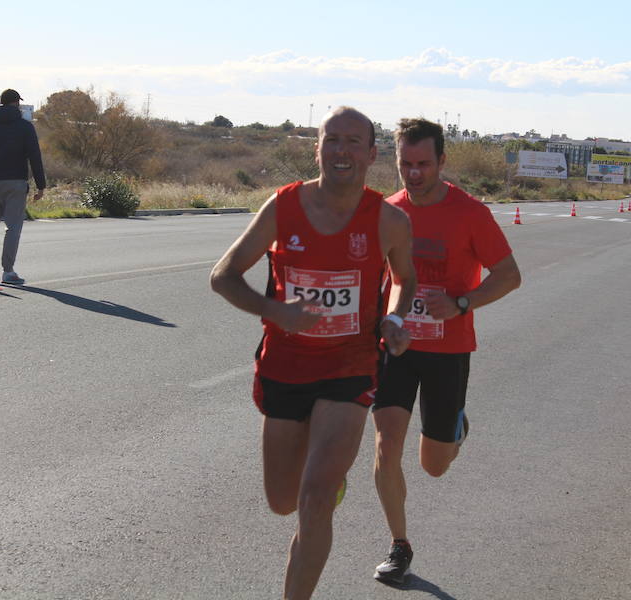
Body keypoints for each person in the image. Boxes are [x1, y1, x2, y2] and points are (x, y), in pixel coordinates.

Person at [210, 107, 417, 600]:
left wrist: (394, 319)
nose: (341, 150)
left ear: (371, 154)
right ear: (317, 147)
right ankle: (322, 486)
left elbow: (405, 279)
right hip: (285, 367)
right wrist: (273, 311)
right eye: (332, 140)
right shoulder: (283, 207)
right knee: (283, 501)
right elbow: (223, 275)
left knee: (315, 498)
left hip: (351, 368)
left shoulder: (389, 220)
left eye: (353, 142)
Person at [371, 118, 521, 585]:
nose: (413, 174)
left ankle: (454, 430)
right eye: (404, 165)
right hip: (397, 345)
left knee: (433, 466)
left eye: (422, 164)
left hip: (448, 348)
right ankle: (399, 546)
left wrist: (461, 303)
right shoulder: (386, 211)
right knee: (385, 443)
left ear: (441, 161)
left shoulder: (470, 212)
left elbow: (509, 275)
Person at [0, 88, 46, 285]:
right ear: (15, 103)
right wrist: (41, 185)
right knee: (13, 228)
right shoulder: (25, 127)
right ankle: (8, 271)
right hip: (16, 183)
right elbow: (35, 157)